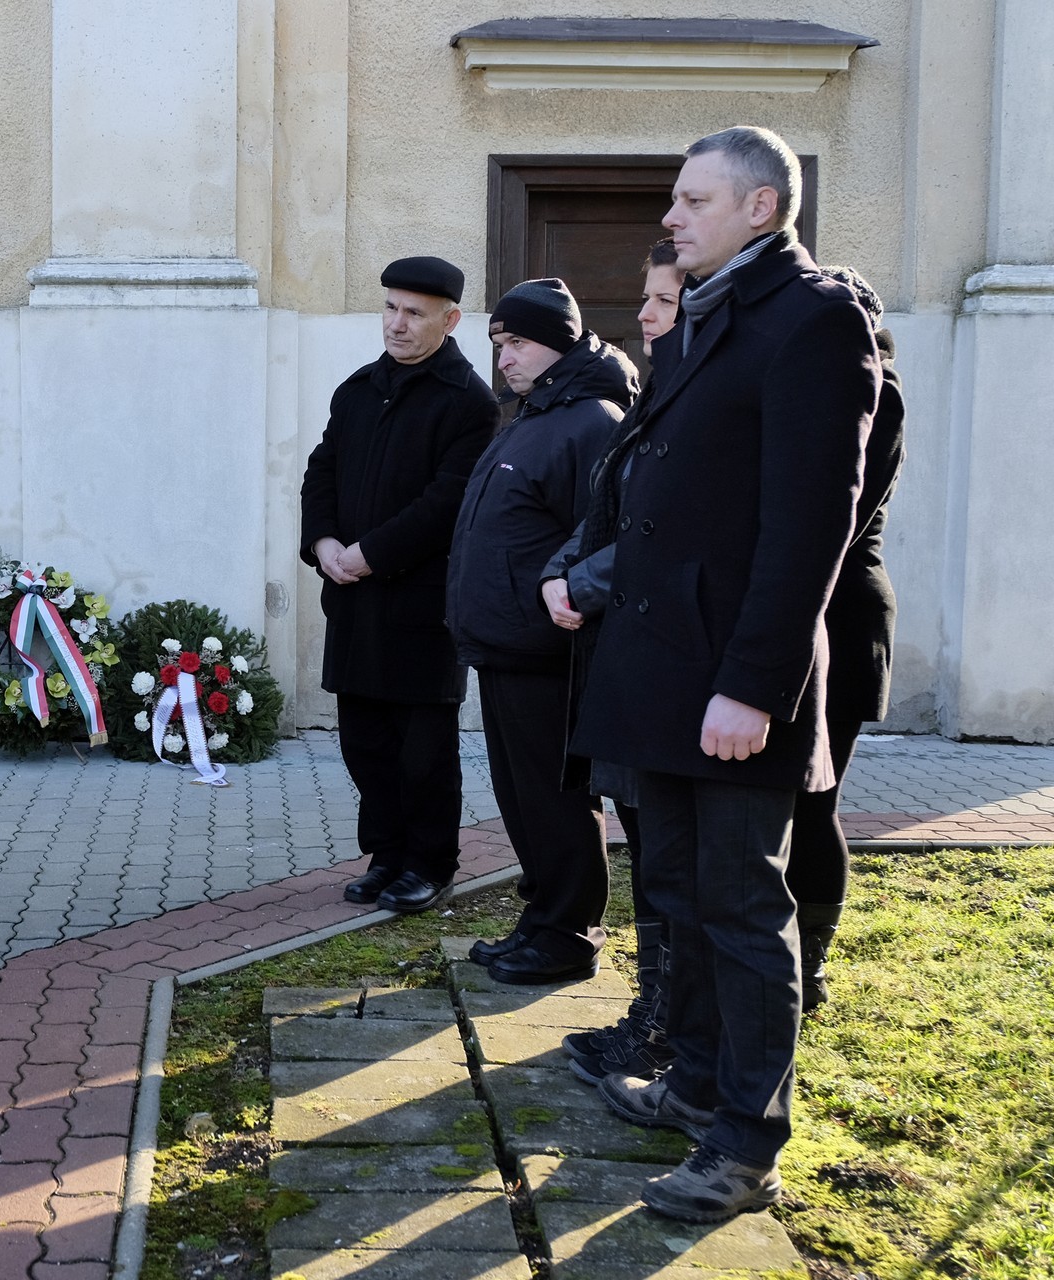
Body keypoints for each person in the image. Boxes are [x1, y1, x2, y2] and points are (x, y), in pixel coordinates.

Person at [570, 127, 879, 1223]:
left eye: (694, 199)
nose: (671, 215)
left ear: (761, 207)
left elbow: (810, 524)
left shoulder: (813, 318)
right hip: (663, 668)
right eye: (675, 198)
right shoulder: (708, 311)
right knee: (681, 894)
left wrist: (754, 685)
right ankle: (696, 1082)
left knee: (745, 909)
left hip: (734, 680)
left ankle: (747, 1145)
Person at [446, 278, 636, 983]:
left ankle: (569, 935)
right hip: (505, 647)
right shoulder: (532, 414)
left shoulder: (593, 421)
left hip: (549, 652)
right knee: (522, 797)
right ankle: (542, 917)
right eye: (499, 343)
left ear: (560, 342)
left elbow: (601, 537)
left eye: (519, 342)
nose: (505, 357)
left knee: (556, 801)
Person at [301, 256, 499, 915]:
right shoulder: (358, 389)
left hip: (421, 608)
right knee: (365, 745)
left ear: (451, 320)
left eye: (415, 312)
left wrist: (369, 554)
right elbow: (321, 470)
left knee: (423, 752)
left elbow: (446, 503)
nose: (397, 323)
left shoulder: (469, 401)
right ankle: (385, 855)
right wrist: (324, 542)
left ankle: (431, 864)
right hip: (354, 602)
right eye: (390, 307)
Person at [544, 238, 685, 1083]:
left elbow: (665, 533)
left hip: (666, 660)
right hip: (625, 653)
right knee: (650, 850)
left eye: (664, 300)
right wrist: (561, 571)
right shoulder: (659, 393)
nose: (644, 315)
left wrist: (580, 582)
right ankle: (653, 1015)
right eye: (647, 298)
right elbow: (608, 506)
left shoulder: (701, 402)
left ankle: (664, 1029)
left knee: (670, 864)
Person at [788, 265, 905, 1016]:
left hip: (842, 619)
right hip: (814, 615)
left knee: (814, 801)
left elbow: (833, 515)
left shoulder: (875, 391)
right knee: (792, 801)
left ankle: (812, 961)